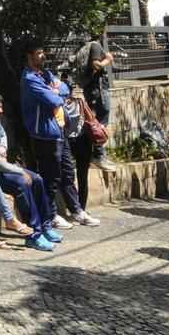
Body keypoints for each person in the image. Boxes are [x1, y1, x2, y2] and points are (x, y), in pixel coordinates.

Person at [20, 43, 99, 229]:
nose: (43, 56)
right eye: (39, 52)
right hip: (44, 133)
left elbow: (64, 89)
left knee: (68, 172)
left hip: (59, 130)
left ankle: (77, 210)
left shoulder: (45, 75)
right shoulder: (29, 79)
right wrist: (55, 93)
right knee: (51, 176)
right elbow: (52, 99)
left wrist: (57, 90)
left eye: (43, 52)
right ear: (29, 56)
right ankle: (51, 214)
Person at [0, 91, 61, 249]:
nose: (0, 111)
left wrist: (2, 148)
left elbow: (2, 137)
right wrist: (19, 171)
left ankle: (45, 226)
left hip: (2, 166)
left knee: (37, 179)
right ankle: (33, 234)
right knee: (21, 183)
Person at [80, 34, 118, 172]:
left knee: (93, 123)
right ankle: (98, 156)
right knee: (100, 124)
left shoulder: (88, 45)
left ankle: (93, 156)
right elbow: (96, 65)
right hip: (98, 90)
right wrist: (108, 60)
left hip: (92, 90)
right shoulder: (95, 45)